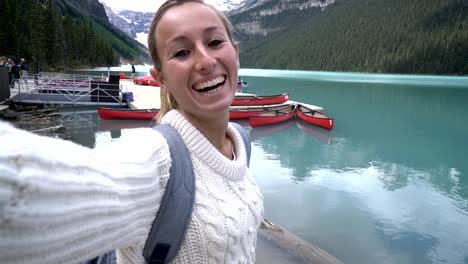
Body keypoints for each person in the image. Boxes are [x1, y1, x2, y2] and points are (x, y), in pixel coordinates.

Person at [0, 1, 264, 264]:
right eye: (182, 52)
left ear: (236, 53)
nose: (206, 61)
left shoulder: (240, 140)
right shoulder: (157, 159)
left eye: (215, 42)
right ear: (161, 78)